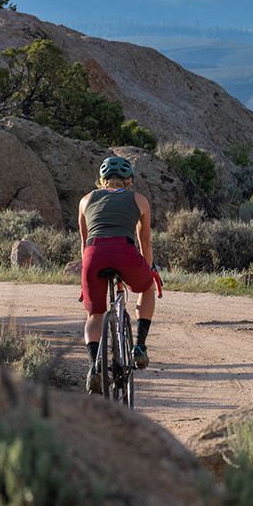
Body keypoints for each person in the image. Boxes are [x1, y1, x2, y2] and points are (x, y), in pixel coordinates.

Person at [78, 155, 160, 391]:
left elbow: (84, 244)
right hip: (124, 251)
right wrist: (149, 269)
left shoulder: (85, 200)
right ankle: (140, 346)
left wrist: (85, 280)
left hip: (93, 255)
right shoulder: (139, 200)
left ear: (101, 181)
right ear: (129, 181)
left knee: (94, 314)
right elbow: (145, 244)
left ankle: (94, 366)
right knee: (146, 287)